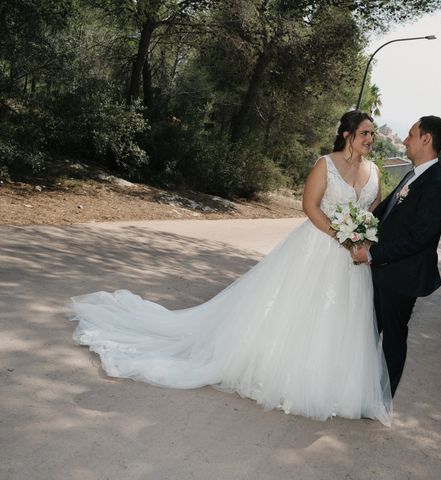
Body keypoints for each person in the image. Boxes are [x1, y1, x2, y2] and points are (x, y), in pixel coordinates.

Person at [70, 111, 392, 426]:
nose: (370, 139)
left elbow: (375, 210)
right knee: (299, 312)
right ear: (347, 134)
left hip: (353, 261)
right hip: (318, 247)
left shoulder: (374, 170)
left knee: (340, 320)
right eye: (365, 133)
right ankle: (284, 374)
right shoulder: (326, 164)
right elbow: (309, 205)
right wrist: (341, 236)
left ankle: (336, 387)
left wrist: (362, 239)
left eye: (372, 134)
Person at [351, 115, 441, 396]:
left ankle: (380, 399)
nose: (405, 140)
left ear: (426, 139)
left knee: (393, 339)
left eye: (410, 135)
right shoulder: (414, 173)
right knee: (366, 331)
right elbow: (388, 210)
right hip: (382, 269)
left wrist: (373, 255)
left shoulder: (437, 184)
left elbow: (420, 237)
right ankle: (357, 390)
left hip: (401, 276)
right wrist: (356, 228)